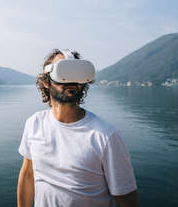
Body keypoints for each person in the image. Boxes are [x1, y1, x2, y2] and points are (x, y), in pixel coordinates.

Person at [17, 49, 139, 207]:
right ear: (46, 82)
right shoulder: (34, 123)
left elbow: (127, 200)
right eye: (63, 72)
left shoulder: (106, 136)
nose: (71, 80)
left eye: (77, 74)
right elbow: (28, 175)